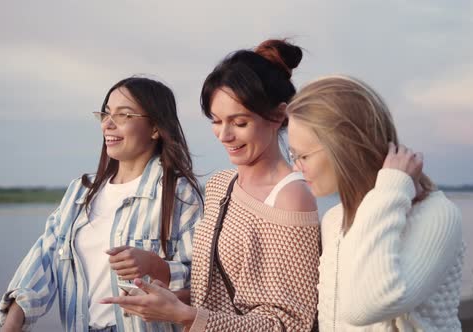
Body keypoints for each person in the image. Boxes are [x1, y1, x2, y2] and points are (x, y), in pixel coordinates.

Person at [101, 40, 321, 331]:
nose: (224, 135)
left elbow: (290, 323)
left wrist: (184, 316)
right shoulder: (220, 185)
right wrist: (170, 303)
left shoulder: (292, 197)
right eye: (216, 121)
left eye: (239, 122)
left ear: (278, 116)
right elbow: (214, 296)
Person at [0, 77, 203, 332]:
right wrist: (13, 321)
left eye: (123, 115)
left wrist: (156, 266)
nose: (108, 124)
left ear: (155, 128)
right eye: (105, 114)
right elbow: (46, 256)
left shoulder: (180, 194)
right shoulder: (80, 192)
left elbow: (202, 284)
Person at [286, 75, 465, 331]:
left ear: (344, 148)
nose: (296, 167)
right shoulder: (335, 220)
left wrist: (390, 189)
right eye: (292, 154)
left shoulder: (437, 216)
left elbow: (364, 306)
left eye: (303, 155)